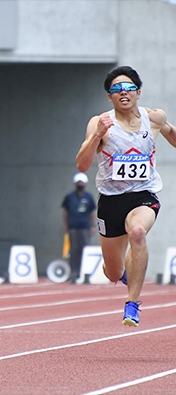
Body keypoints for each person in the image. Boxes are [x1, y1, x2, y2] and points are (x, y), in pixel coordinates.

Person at [76, 65, 176, 326]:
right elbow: (82, 165)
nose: (123, 92)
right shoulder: (99, 123)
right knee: (113, 273)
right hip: (110, 200)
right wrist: (97, 135)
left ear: (138, 92)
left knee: (138, 233)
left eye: (128, 88)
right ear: (109, 96)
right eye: (116, 89)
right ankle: (121, 273)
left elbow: (172, 136)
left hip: (143, 194)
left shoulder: (153, 118)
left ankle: (132, 304)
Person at [61, 172, 96, 284]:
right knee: (74, 250)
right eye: (78, 182)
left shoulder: (88, 197)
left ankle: (86, 273)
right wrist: (66, 226)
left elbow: (91, 212)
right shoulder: (69, 197)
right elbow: (66, 212)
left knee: (86, 250)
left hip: (84, 226)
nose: (80, 184)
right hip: (73, 226)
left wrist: (92, 226)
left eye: (82, 182)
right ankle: (74, 273)